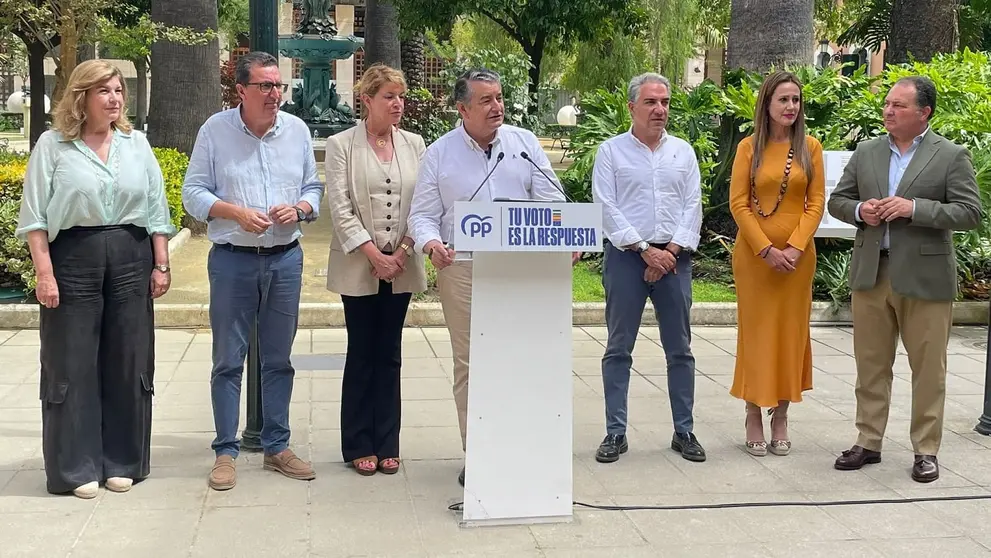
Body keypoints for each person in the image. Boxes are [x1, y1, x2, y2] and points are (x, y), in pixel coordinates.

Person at [16, 59, 175, 499]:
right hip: (72, 260)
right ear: (81, 97)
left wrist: (160, 264)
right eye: (104, 91)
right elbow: (34, 218)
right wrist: (44, 275)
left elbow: (157, 211)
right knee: (72, 363)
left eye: (119, 90)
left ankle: (123, 460)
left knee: (129, 360)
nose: (115, 99)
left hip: (131, 257)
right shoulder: (52, 146)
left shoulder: (136, 143)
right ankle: (75, 466)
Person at [406, 68, 568, 486]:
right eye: (486, 101)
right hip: (462, 269)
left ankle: (519, 445)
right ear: (462, 109)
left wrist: (567, 235)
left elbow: (552, 200)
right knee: (471, 363)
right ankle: (478, 451)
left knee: (519, 357)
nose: (497, 107)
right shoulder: (440, 153)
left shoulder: (524, 144)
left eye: (499, 98)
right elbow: (422, 215)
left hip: (520, 270)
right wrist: (430, 245)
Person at [827, 76, 981, 483]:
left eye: (898, 105)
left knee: (928, 368)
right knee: (871, 365)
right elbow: (838, 201)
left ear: (923, 113)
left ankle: (926, 449)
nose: (888, 111)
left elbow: (969, 212)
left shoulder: (951, 155)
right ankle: (868, 441)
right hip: (872, 271)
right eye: (888, 104)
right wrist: (862, 211)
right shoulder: (868, 151)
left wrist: (915, 208)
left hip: (926, 277)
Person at [182, 51, 324, 491]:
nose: (275, 94)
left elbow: (313, 189)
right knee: (228, 361)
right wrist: (234, 213)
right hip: (232, 260)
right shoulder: (215, 130)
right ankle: (225, 452)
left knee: (279, 360)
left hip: (285, 259)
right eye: (265, 86)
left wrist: (300, 208)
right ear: (241, 90)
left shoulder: (297, 131)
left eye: (278, 85)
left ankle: (277, 447)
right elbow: (192, 193)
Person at [591, 72, 705, 464]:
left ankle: (684, 430)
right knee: (618, 347)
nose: (660, 110)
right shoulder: (611, 152)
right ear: (632, 107)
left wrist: (669, 251)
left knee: (680, 350)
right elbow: (605, 206)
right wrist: (644, 250)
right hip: (626, 258)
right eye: (651, 102)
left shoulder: (683, 152)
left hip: (675, 260)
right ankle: (615, 432)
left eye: (665, 102)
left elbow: (693, 206)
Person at [324, 64, 427, 476]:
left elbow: (424, 204)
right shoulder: (340, 144)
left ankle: (388, 442)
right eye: (389, 96)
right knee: (362, 352)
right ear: (367, 100)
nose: (398, 103)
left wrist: (400, 251)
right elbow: (340, 205)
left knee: (391, 354)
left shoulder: (416, 144)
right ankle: (358, 443)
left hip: (402, 262)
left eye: (401, 96)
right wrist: (374, 254)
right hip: (359, 263)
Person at [728, 71, 825, 457]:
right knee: (756, 334)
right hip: (756, 260)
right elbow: (739, 203)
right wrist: (767, 249)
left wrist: (797, 247)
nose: (790, 107)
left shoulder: (810, 148)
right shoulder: (748, 148)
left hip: (798, 262)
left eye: (796, 101)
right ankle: (753, 411)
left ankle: (781, 415)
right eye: (783, 100)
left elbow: (815, 203)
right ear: (767, 104)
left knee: (790, 334)